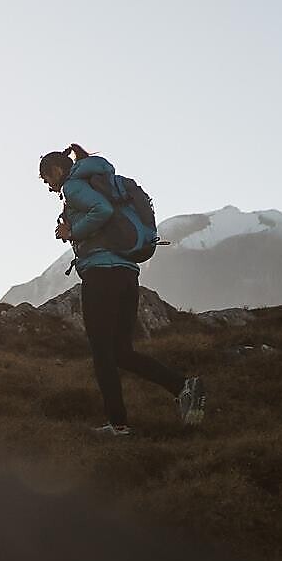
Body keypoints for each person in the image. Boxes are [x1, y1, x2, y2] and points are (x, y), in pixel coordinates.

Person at [40, 144, 206, 437]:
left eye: (46, 178)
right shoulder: (102, 181)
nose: (47, 185)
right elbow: (104, 211)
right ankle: (182, 386)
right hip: (127, 274)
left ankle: (117, 424)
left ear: (56, 170)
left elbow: (101, 210)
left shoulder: (74, 186)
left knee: (102, 351)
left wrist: (72, 232)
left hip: (101, 275)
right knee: (121, 351)